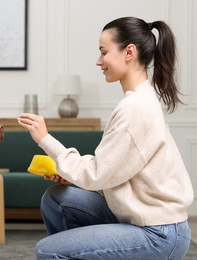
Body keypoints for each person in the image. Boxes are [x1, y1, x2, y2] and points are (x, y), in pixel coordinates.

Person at [17, 16, 194, 259]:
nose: (99, 61)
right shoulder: (138, 100)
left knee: (47, 250)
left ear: (129, 52)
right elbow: (115, 172)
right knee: (58, 200)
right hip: (148, 220)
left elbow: (97, 173)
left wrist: (45, 139)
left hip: (158, 234)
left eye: (104, 52)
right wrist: (70, 175)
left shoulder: (136, 108)